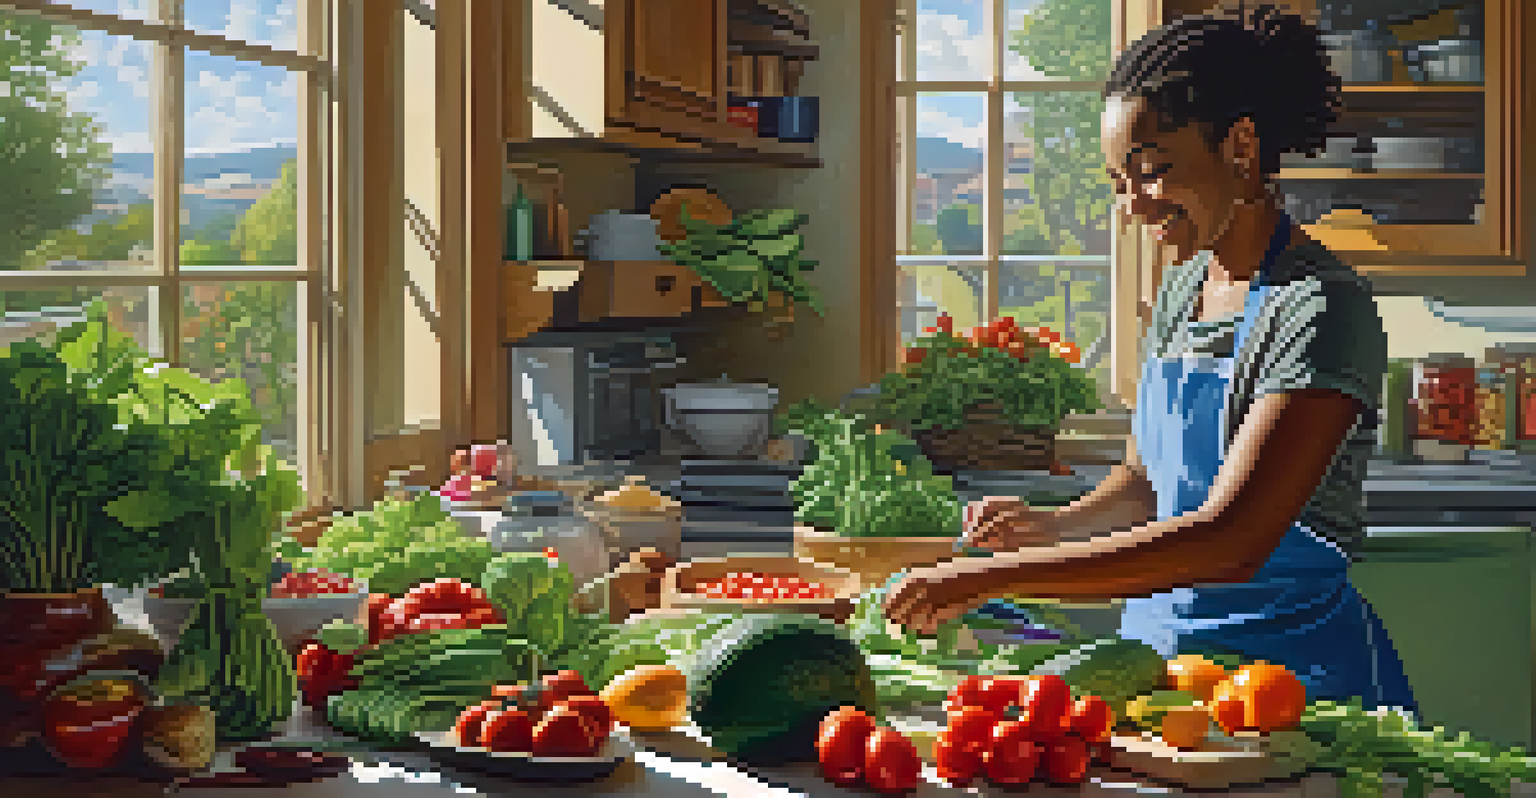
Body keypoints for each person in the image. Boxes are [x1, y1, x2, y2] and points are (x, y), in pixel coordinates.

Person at [883, 1, 1417, 712]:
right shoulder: (1183, 288)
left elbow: (1232, 539)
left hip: (1291, 689)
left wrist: (992, 578)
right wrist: (1054, 525)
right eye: (1119, 182)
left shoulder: (1318, 307)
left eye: (1153, 170)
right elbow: (1143, 483)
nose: (1134, 206)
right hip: (1159, 675)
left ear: (1240, 145)